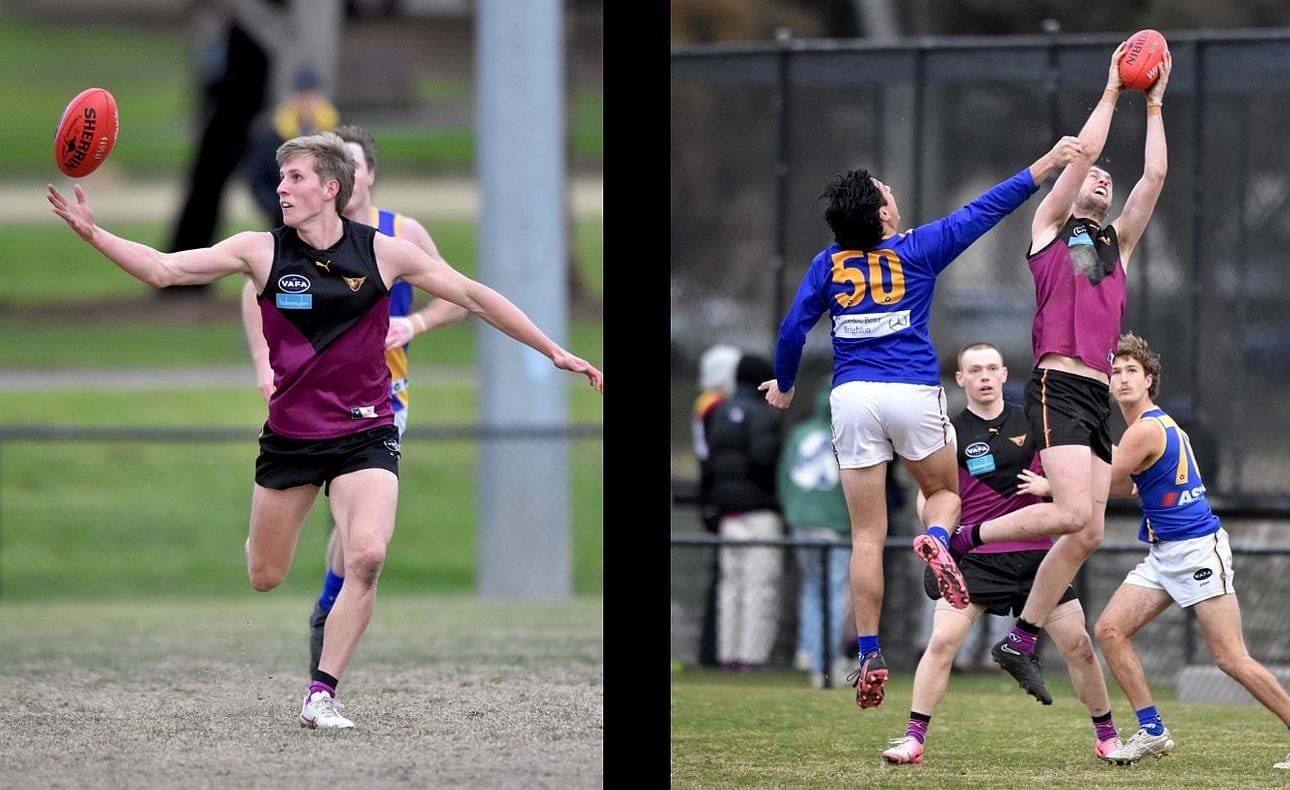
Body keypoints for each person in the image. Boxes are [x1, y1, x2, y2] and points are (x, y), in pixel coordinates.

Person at [46, 131, 603, 729]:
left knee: (367, 555)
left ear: (330, 189)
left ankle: (321, 693)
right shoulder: (260, 251)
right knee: (266, 575)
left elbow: (473, 295)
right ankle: (267, 542)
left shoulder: (384, 252)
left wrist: (554, 351)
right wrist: (94, 234)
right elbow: (163, 269)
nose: (281, 188)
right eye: (282, 178)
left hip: (366, 430)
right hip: (290, 436)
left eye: (295, 178)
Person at [760, 132, 1084, 709]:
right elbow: (986, 209)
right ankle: (937, 540)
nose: (891, 189)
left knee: (865, 534)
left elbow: (791, 332)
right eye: (885, 189)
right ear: (883, 212)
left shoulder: (827, 264)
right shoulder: (918, 249)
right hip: (911, 391)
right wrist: (1050, 163)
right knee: (944, 493)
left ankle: (867, 652)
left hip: (853, 396)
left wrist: (785, 385)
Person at [944, 45, 1173, 705]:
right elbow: (1074, 160)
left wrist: (1154, 103)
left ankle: (1020, 638)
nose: (1103, 179)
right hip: (1057, 385)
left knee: (1090, 531)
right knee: (1073, 511)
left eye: (1108, 178)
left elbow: (1154, 177)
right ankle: (961, 541)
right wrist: (1111, 90)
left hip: (1096, 397)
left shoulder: (1117, 245)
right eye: (1095, 176)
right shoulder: (1049, 230)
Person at [240, 123, 470, 676]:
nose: (342, 171)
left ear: (363, 176)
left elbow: (459, 297)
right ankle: (329, 599)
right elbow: (255, 290)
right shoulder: (297, 236)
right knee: (279, 561)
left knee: (359, 543)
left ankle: (328, 609)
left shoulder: (399, 235)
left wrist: (411, 323)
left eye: (351, 163)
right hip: (309, 402)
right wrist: (263, 366)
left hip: (383, 398)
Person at [882, 342, 1123, 764]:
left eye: (992, 368)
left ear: (1005, 373)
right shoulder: (949, 432)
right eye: (974, 370)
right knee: (941, 643)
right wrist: (937, 533)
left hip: (1039, 561)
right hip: (976, 558)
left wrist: (1050, 488)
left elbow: (1077, 477)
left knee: (1080, 647)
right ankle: (912, 739)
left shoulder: (1036, 420)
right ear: (961, 379)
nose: (985, 377)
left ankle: (1108, 736)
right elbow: (930, 497)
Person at [1092, 333, 1290, 768]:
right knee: (1110, 630)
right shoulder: (1139, 429)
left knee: (1231, 659)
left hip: (1196, 551)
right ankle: (1152, 731)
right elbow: (1124, 485)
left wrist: (1053, 482)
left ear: (1149, 381)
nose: (1122, 379)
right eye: (1116, 372)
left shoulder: (1144, 428)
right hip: (1165, 554)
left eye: (1132, 372)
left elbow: (1104, 483)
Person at [704, 354, 783, 669]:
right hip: (759, 514)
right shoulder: (763, 416)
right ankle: (752, 658)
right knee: (759, 587)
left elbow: (708, 464)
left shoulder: (719, 412)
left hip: (727, 514)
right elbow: (765, 460)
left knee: (730, 587)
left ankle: (728, 655)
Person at [777, 383, 852, 687]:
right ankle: (825, 660)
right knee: (834, 591)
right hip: (832, 523)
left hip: (801, 521)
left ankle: (808, 650)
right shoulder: (846, 435)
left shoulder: (799, 433)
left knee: (812, 587)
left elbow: (784, 476)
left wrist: (793, 512)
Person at [692, 343, 741, 667]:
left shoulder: (706, 403)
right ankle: (714, 651)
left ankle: (714, 650)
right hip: (718, 493)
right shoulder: (715, 407)